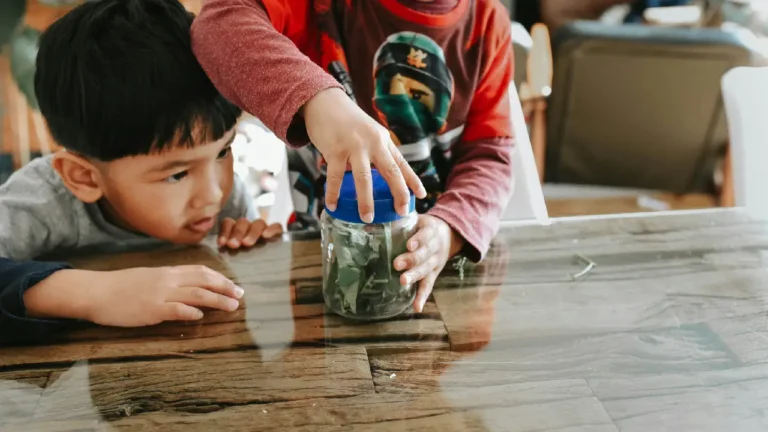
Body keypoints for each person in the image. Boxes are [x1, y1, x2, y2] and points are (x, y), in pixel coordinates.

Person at [191, 0, 516, 312]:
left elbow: (490, 154)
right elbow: (218, 23)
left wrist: (451, 229)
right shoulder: (322, 9)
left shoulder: (487, 25)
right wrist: (316, 100)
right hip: (323, 265)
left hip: (434, 275)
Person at [0, 0, 285, 342]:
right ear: (84, 178)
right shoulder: (39, 201)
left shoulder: (223, 192)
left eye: (223, 151)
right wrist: (97, 294)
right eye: (177, 174)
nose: (213, 193)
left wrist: (249, 242)